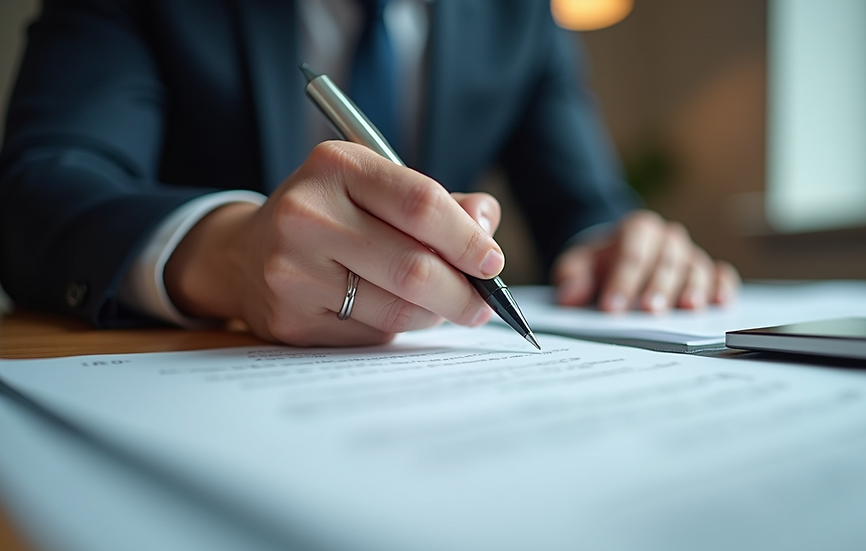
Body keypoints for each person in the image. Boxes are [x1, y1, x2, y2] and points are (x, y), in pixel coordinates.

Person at [0, 0, 739, 346]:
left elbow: (585, 201)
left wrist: (618, 241)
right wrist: (229, 252)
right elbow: (41, 185)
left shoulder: (519, 16)